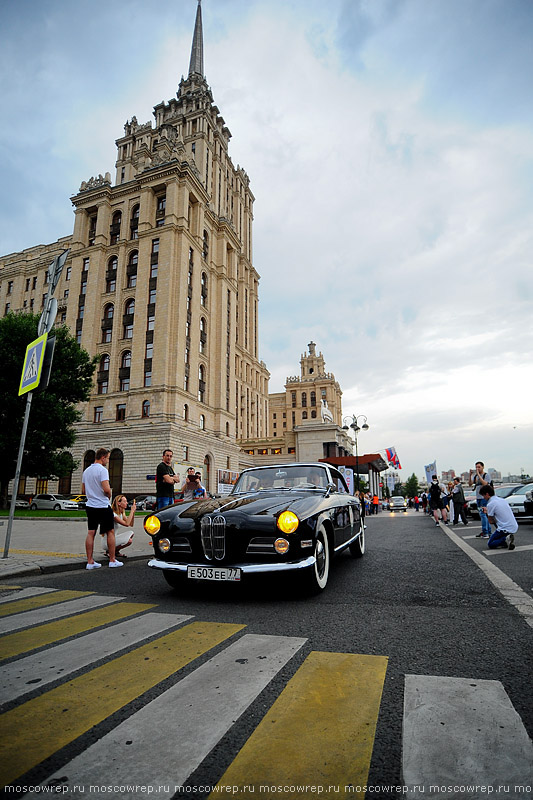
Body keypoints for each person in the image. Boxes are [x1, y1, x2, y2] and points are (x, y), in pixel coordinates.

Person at [82, 448, 122, 569]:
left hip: (90, 505)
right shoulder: (103, 470)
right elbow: (106, 488)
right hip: (103, 506)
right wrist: (109, 493)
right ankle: (112, 559)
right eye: (108, 458)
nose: (108, 461)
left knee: (91, 532)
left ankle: (90, 561)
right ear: (103, 457)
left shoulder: (86, 471)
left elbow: (83, 490)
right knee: (110, 531)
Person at [480, 485, 517, 550]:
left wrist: (486, 513)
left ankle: (505, 539)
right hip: (514, 526)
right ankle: (506, 541)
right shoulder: (502, 500)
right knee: (496, 536)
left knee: (491, 543)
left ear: (487, 494)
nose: (483, 498)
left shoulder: (490, 504)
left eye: (483, 495)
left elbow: (491, 521)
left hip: (504, 528)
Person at [102, 495, 136, 559]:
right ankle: (110, 551)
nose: (127, 503)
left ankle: (115, 551)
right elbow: (126, 524)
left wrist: (133, 512)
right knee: (129, 541)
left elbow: (131, 524)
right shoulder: (113, 514)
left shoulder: (121, 513)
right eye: (125, 501)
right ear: (119, 503)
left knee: (131, 533)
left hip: (113, 538)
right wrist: (131, 511)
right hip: (107, 542)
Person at [469, 461, 492, 538]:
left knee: (483, 514)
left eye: (479, 467)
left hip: (484, 498)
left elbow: (485, 483)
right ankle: (488, 531)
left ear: (483, 467)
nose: (477, 468)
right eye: (476, 467)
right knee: (483, 515)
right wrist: (470, 475)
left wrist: (479, 474)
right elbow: (470, 484)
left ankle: (485, 532)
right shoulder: (475, 476)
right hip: (478, 497)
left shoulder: (486, 475)